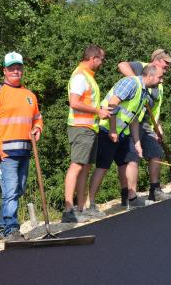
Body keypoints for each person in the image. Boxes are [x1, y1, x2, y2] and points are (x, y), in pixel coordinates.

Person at [0, 52, 43, 241]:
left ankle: (1, 228)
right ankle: (11, 230)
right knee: (10, 191)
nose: (15, 71)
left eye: (18, 68)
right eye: (11, 68)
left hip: (24, 150)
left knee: (18, 190)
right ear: (4, 71)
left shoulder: (29, 95)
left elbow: (37, 118)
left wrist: (38, 128)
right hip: (5, 153)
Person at [88, 64, 164, 210]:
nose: (161, 81)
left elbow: (133, 118)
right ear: (149, 76)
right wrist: (112, 130)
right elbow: (112, 103)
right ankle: (89, 204)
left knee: (131, 160)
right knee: (103, 166)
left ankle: (132, 198)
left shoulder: (144, 92)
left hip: (124, 132)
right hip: (106, 129)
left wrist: (137, 143)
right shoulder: (131, 83)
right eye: (159, 77)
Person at [117, 49, 171, 202]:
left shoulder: (159, 83)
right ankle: (128, 196)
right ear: (157, 60)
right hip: (129, 121)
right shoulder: (141, 67)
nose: (168, 66)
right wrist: (137, 83)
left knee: (156, 152)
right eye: (166, 62)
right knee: (130, 157)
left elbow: (155, 110)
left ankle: (155, 190)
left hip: (143, 124)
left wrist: (158, 129)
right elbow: (122, 65)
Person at [61, 45, 110, 223]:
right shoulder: (80, 76)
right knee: (77, 166)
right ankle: (69, 211)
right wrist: (98, 111)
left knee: (85, 167)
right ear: (92, 58)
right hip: (81, 127)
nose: (102, 63)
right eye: (101, 59)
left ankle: (81, 209)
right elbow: (74, 102)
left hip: (89, 128)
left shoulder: (88, 76)